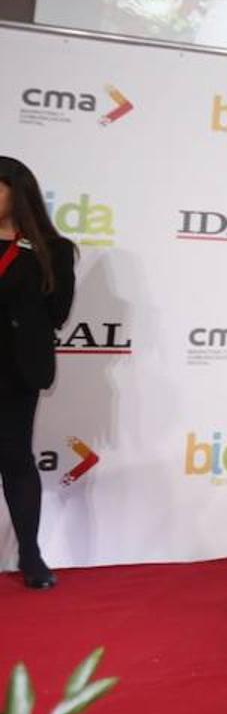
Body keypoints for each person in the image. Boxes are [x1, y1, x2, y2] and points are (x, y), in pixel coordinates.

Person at [0, 157, 77, 590]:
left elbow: (58, 313)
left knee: (14, 459)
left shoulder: (53, 248)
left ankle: (30, 553)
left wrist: (22, 289)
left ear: (19, 192)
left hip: (14, 371)